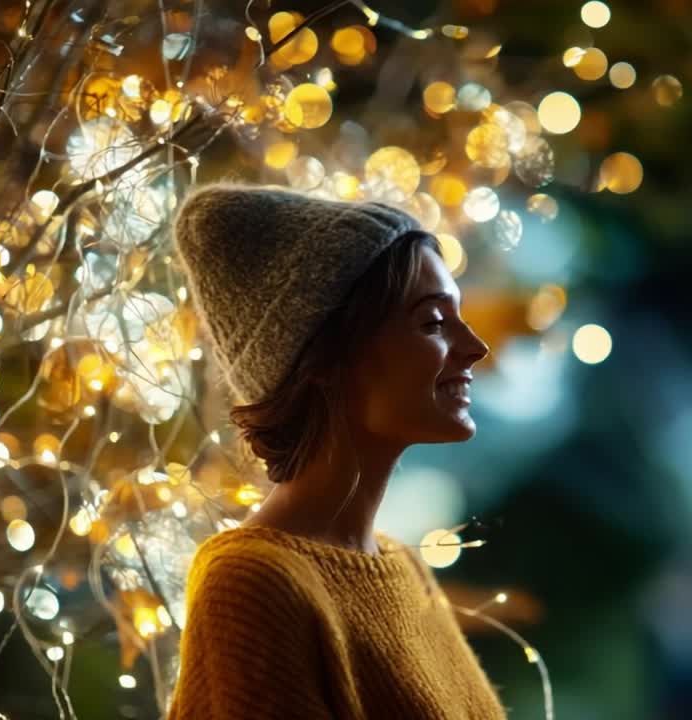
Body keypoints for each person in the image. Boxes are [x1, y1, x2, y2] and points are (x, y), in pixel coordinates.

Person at [166, 185, 504, 719]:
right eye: (434, 323)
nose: (475, 347)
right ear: (327, 357)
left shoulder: (405, 569)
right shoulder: (253, 585)